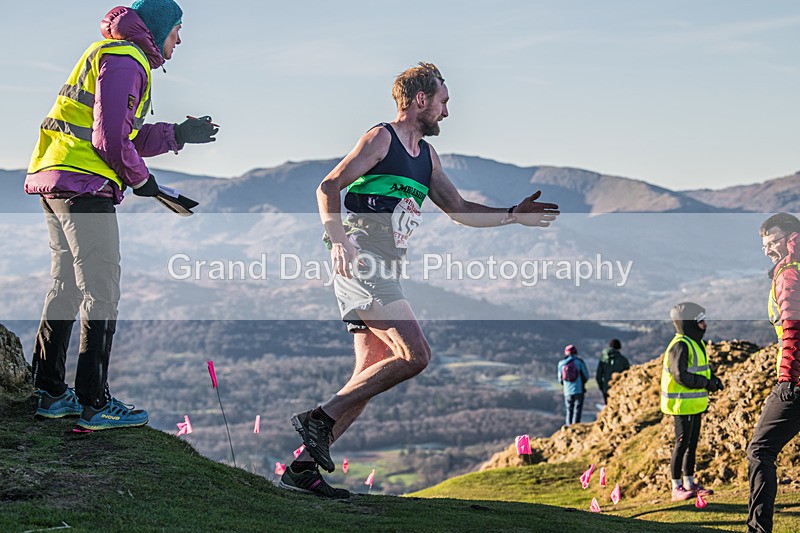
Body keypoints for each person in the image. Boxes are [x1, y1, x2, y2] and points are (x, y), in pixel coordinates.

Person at [280, 62, 559, 498]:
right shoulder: (381, 138)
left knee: (369, 375)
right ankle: (319, 418)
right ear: (420, 100)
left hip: (386, 266)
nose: (447, 112)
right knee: (416, 355)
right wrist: (338, 240)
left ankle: (301, 469)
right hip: (362, 259)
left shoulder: (427, 157)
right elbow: (328, 186)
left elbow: (459, 209)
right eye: (443, 102)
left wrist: (512, 215)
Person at [26, 0, 218, 431]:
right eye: (177, 30)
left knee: (66, 286)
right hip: (85, 187)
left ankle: (51, 392)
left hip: (57, 178)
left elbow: (122, 132)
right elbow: (110, 139)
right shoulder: (127, 59)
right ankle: (94, 403)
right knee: (102, 292)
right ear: (158, 28)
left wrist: (177, 135)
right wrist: (142, 181)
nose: (180, 40)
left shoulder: (110, 54)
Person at [747, 213, 800, 532]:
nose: (768, 250)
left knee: (760, 450)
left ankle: (759, 529)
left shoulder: (789, 272)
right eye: (764, 245)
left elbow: (793, 330)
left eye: (773, 242)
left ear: (791, 236)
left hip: (796, 380)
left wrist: (786, 379)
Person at [660, 302, 724, 502]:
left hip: (695, 404)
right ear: (689, 323)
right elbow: (681, 376)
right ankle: (676, 488)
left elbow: (700, 370)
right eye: (700, 321)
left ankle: (689, 483)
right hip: (681, 405)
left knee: (692, 445)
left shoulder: (695, 343)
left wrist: (713, 380)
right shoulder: (680, 345)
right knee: (681, 445)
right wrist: (706, 383)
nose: (705, 324)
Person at [557, 344, 590, 427]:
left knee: (569, 410)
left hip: (567, 391)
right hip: (579, 390)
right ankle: (575, 426)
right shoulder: (579, 362)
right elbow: (586, 376)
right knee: (577, 410)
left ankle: (568, 426)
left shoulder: (561, 364)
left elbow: (560, 380)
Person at [596, 338, 630, 404]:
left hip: (606, 388)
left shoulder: (603, 360)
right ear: (619, 348)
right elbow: (628, 374)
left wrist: (602, 387)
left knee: (609, 407)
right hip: (620, 389)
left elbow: (598, 376)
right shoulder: (623, 360)